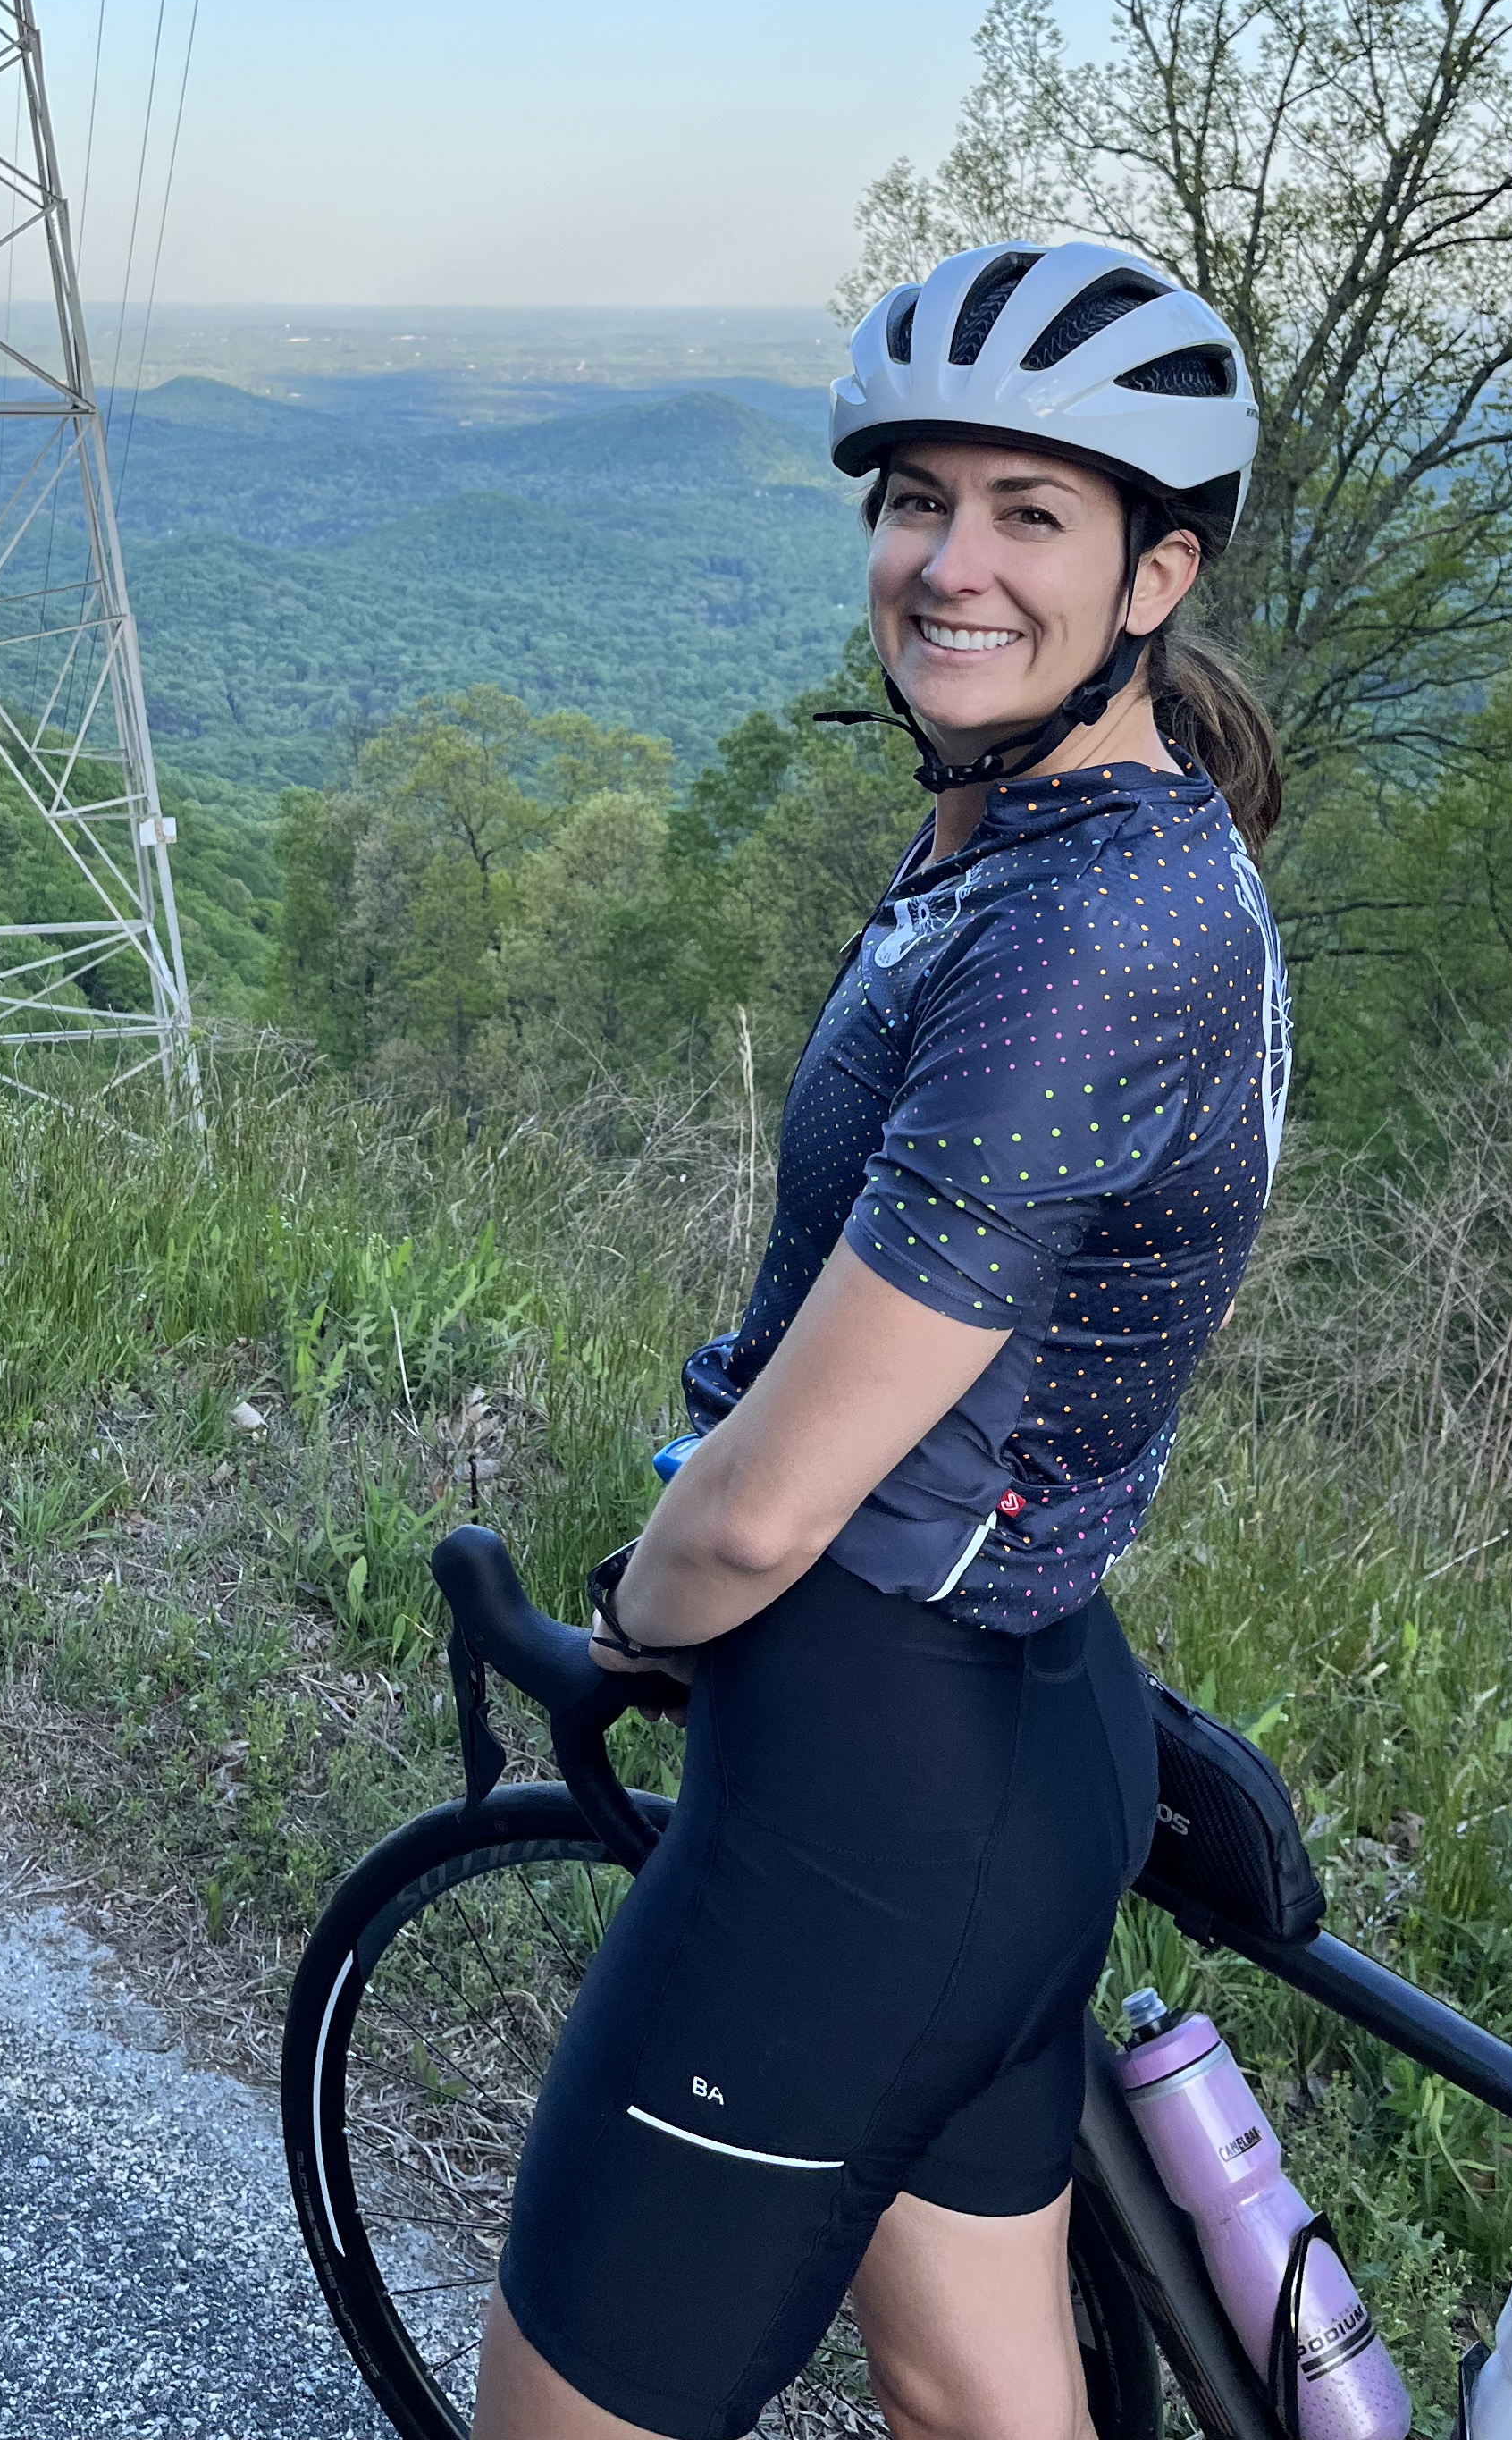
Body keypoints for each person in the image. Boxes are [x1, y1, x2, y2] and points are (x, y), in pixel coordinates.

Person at [474, 240, 1293, 2440]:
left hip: (865, 1792)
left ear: (1154, 576)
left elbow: (764, 1518)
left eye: (1031, 511)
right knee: (977, 2404)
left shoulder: (1085, 938)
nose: (946, 561)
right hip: (1029, 1741)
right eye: (914, 496)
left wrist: (634, 1619)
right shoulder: (1078, 837)